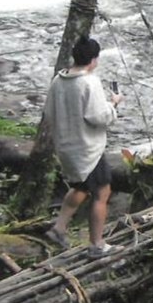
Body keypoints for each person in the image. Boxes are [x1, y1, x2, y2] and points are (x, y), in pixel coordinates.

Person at [43, 36, 123, 258]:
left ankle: (59, 229)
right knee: (102, 192)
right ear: (93, 60)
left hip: (66, 148)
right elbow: (98, 116)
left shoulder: (58, 81)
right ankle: (97, 244)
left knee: (80, 187)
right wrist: (113, 104)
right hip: (88, 150)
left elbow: (49, 114)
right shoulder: (89, 82)